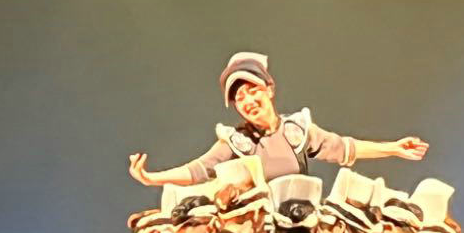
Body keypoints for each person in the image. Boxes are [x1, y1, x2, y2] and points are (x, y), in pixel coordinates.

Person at [128, 51, 430, 187]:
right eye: (239, 98)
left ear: (269, 90)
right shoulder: (237, 142)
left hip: (302, 226)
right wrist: (152, 178)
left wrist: (393, 148)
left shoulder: (296, 131)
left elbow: (345, 148)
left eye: (253, 91)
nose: (247, 101)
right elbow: (198, 170)